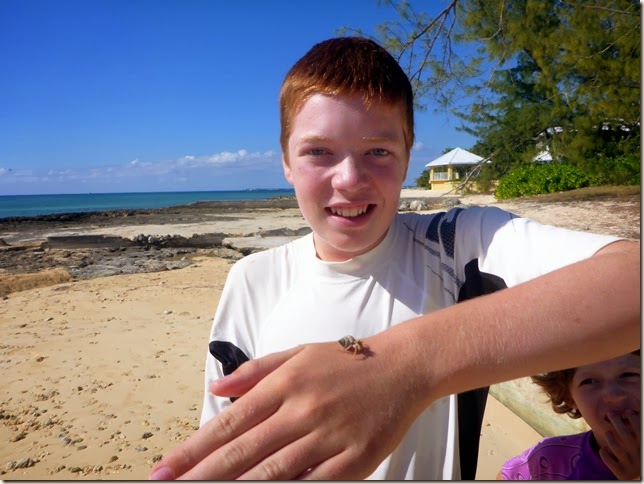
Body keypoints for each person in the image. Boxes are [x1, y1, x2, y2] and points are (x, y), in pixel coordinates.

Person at [148, 37, 640, 480]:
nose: (349, 179)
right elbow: (228, 439)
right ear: (285, 162)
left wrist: (403, 369)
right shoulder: (252, 280)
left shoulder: (458, 246)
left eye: (378, 151)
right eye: (318, 152)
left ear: (407, 156)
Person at [499, 351, 640, 480]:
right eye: (590, 381)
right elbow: (505, 476)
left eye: (628, 375)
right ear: (570, 399)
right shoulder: (550, 458)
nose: (613, 395)